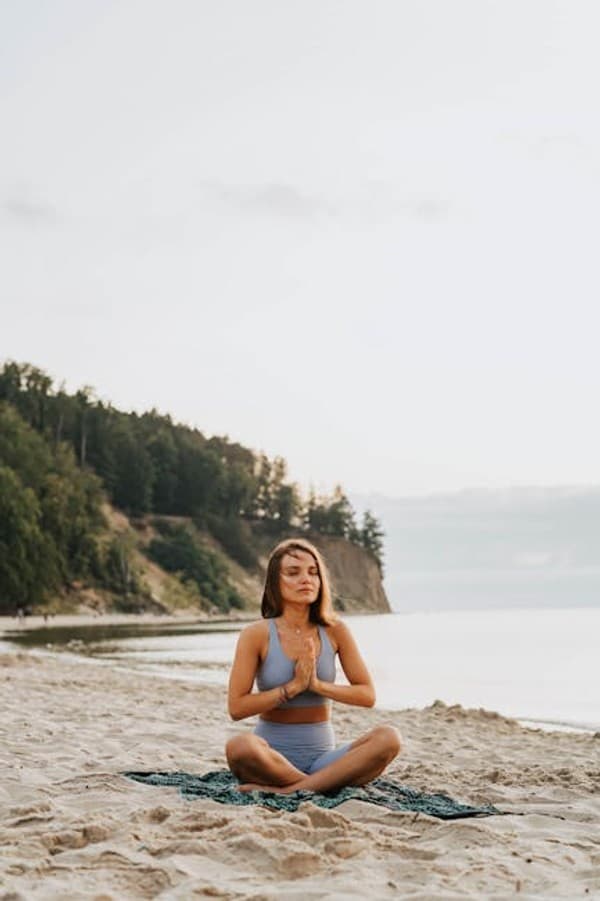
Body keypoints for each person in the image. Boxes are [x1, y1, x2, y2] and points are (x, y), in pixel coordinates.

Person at [225, 537, 401, 794]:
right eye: (293, 573)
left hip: (323, 761)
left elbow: (367, 695)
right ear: (276, 582)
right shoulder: (256, 634)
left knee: (389, 738)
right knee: (239, 746)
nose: (306, 579)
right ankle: (320, 786)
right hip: (271, 759)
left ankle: (291, 790)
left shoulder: (335, 630)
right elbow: (237, 707)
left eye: (313, 572)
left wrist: (317, 685)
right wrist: (292, 688)